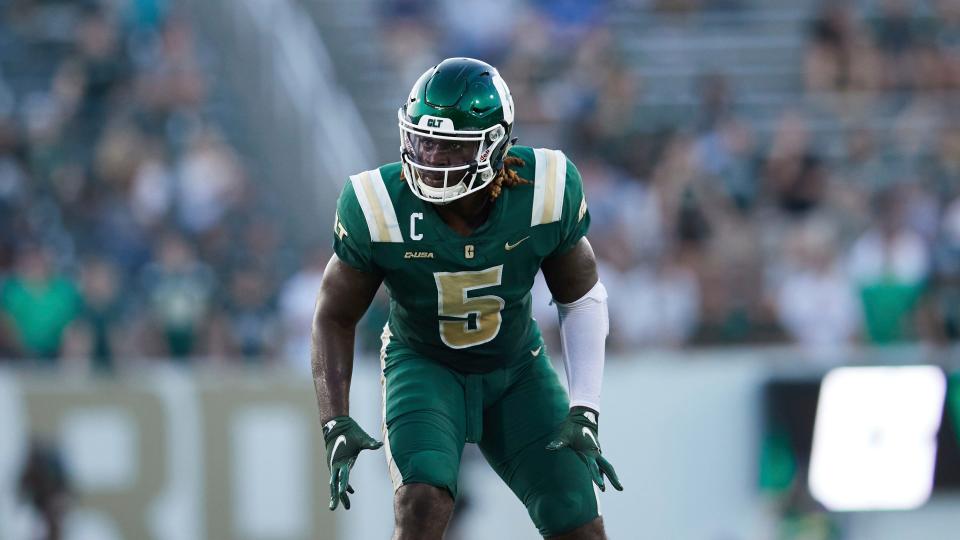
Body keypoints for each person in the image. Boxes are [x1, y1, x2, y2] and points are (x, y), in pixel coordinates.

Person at [312, 57, 622, 539]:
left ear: (495, 146)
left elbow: (580, 297)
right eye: (423, 140)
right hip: (425, 365)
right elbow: (334, 315)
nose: (430, 158)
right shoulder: (378, 204)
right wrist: (335, 420)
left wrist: (585, 406)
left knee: (576, 515)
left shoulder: (544, 191)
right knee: (422, 501)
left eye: (449, 147)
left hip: (517, 369)